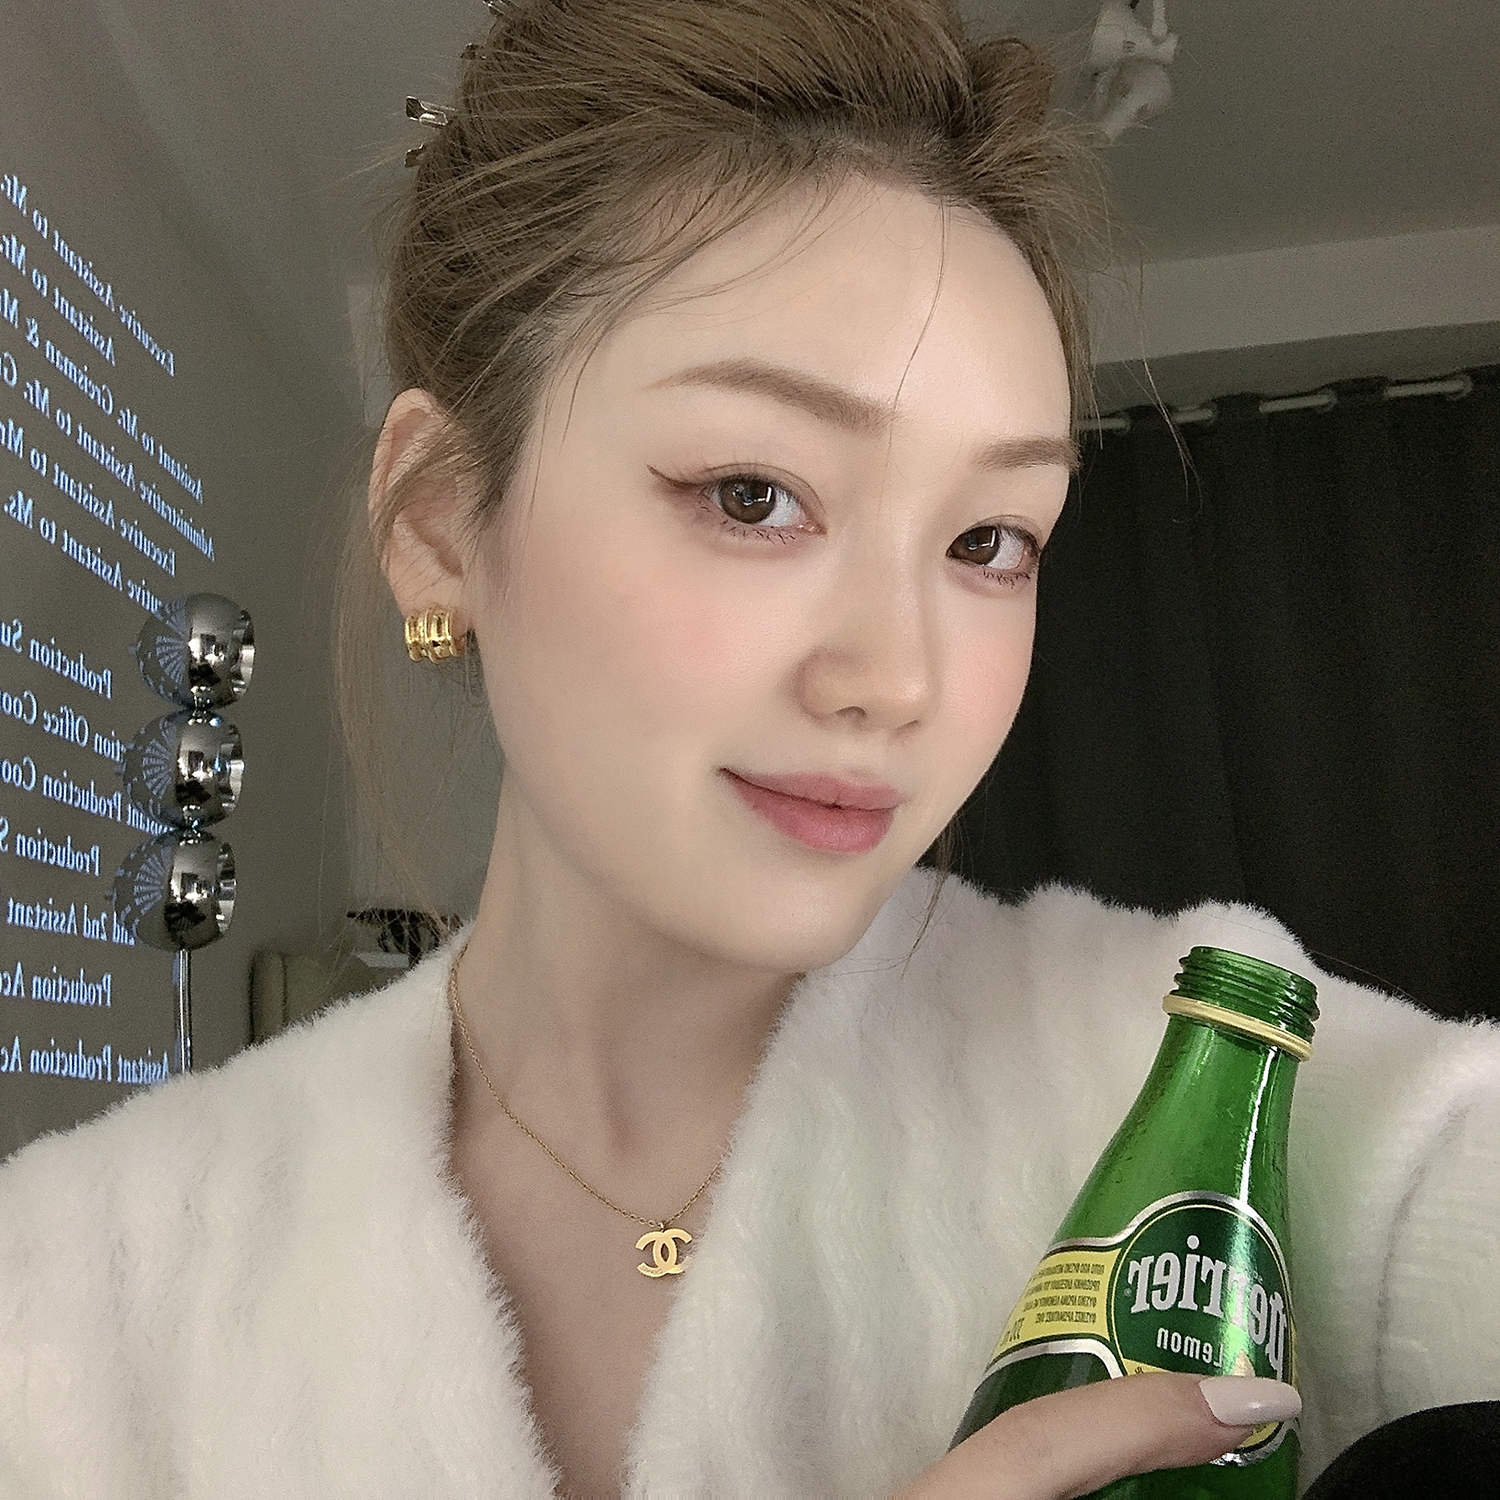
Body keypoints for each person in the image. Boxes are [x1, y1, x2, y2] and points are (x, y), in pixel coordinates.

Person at [2, 2, 1497, 1496]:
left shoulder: (1215, 1076)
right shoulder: (78, 1292)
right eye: (753, 495)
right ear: (443, 520)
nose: (898, 679)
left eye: (989, 539)